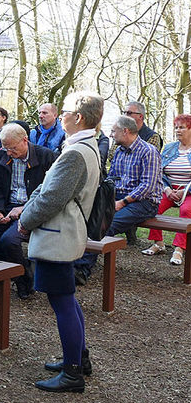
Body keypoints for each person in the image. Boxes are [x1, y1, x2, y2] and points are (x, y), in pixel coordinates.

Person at [18, 91, 103, 393]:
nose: (61, 115)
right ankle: (79, 358)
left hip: (59, 234)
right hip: (64, 233)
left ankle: (72, 373)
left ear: (78, 117)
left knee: (62, 300)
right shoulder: (86, 147)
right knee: (66, 297)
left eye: (65, 111)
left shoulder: (75, 153)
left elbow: (51, 197)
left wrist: (25, 222)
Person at [72, 115, 162, 284]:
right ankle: (71, 259)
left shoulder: (149, 151)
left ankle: (81, 270)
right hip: (118, 197)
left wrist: (122, 202)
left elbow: (147, 186)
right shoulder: (119, 150)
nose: (111, 135)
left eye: (114, 131)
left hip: (145, 202)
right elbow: (113, 178)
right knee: (83, 216)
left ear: (125, 131)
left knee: (106, 225)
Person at [0, 123, 56, 299]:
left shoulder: (45, 156)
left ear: (24, 140)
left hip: (34, 208)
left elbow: (51, 192)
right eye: (6, 149)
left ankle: (21, 281)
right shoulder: (4, 156)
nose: (8, 153)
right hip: (8, 206)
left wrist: (24, 208)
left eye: (12, 148)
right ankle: (22, 269)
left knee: (9, 240)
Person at [142, 114, 191, 266]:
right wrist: (167, 189)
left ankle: (179, 248)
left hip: (188, 192)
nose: (178, 130)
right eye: (176, 127)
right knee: (152, 207)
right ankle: (159, 243)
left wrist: (185, 191)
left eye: (182, 127)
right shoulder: (169, 148)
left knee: (186, 211)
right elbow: (159, 171)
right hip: (169, 190)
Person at [122, 101, 161, 245]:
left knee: (112, 220)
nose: (126, 115)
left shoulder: (152, 137)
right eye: (124, 112)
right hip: (125, 186)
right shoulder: (122, 133)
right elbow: (113, 155)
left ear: (140, 117)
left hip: (143, 191)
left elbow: (149, 171)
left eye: (129, 113)